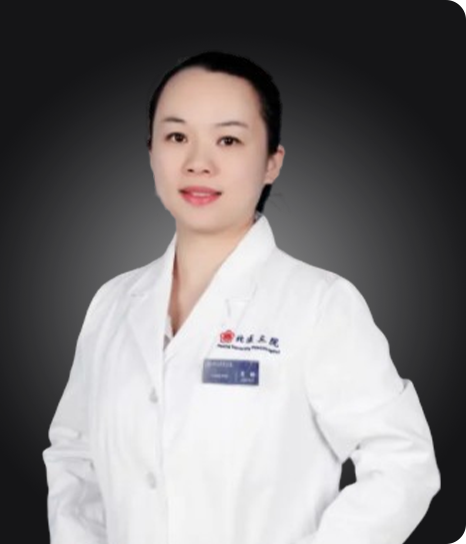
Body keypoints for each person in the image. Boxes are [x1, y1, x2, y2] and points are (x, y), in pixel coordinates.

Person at [42, 51, 441, 544]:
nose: (198, 163)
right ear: (151, 152)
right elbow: (75, 458)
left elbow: (403, 463)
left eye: (228, 140)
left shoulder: (320, 305)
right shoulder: (112, 303)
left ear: (272, 162)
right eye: (177, 137)